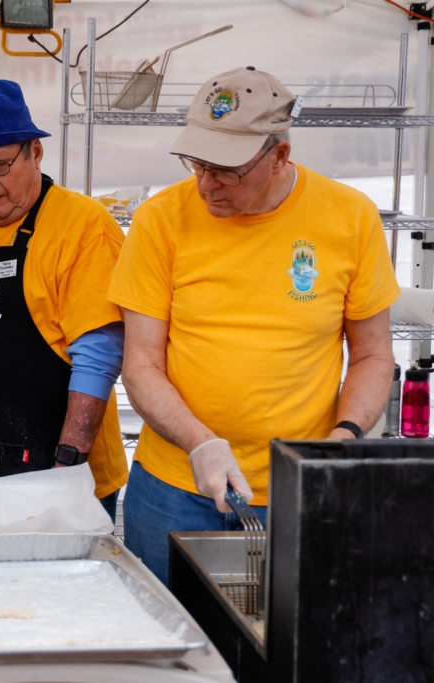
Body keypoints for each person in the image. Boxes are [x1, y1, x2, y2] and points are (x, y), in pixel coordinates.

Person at [107, 67, 399, 585]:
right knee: (174, 652)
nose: (203, 186)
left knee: (285, 654)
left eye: (226, 170)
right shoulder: (159, 220)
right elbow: (142, 363)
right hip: (176, 488)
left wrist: (340, 440)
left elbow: (374, 355)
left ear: (279, 156)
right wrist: (199, 441)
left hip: (297, 492)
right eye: (197, 164)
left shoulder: (350, 217)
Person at [0, 80, 129, 520]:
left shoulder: (83, 226)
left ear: (35, 152)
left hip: (48, 475)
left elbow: (99, 355)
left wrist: (67, 466)